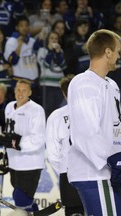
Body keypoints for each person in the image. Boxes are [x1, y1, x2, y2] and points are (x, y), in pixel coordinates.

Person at [67, 29, 121, 215]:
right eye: (118, 51)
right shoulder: (84, 83)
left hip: (109, 172)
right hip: (95, 174)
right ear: (107, 52)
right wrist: (113, 159)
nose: (118, 56)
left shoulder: (110, 84)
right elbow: (86, 132)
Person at [0, 79, 46, 212]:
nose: (20, 93)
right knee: (25, 199)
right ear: (14, 91)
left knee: (20, 198)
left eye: (24, 90)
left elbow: (39, 139)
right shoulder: (9, 107)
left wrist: (16, 142)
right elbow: (8, 135)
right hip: (14, 162)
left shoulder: (36, 110)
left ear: (30, 92)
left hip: (31, 163)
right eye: (18, 90)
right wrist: (5, 156)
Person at [46, 74, 84, 215]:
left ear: (63, 93)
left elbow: (52, 154)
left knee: (73, 211)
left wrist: (64, 170)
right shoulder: (93, 111)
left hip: (68, 173)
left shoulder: (56, 116)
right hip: (92, 172)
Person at [4, 16, 41, 104]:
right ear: (17, 27)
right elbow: (13, 61)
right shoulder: (11, 42)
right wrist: (19, 44)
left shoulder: (32, 41)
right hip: (19, 81)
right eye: (21, 26)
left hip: (33, 83)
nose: (24, 28)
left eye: (26, 25)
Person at [37, 30, 66, 118]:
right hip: (47, 85)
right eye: (52, 38)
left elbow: (64, 66)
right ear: (47, 40)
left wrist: (58, 53)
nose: (54, 40)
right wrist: (50, 50)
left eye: (56, 39)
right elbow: (45, 65)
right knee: (48, 110)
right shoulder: (42, 50)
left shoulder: (60, 51)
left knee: (58, 110)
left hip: (59, 85)